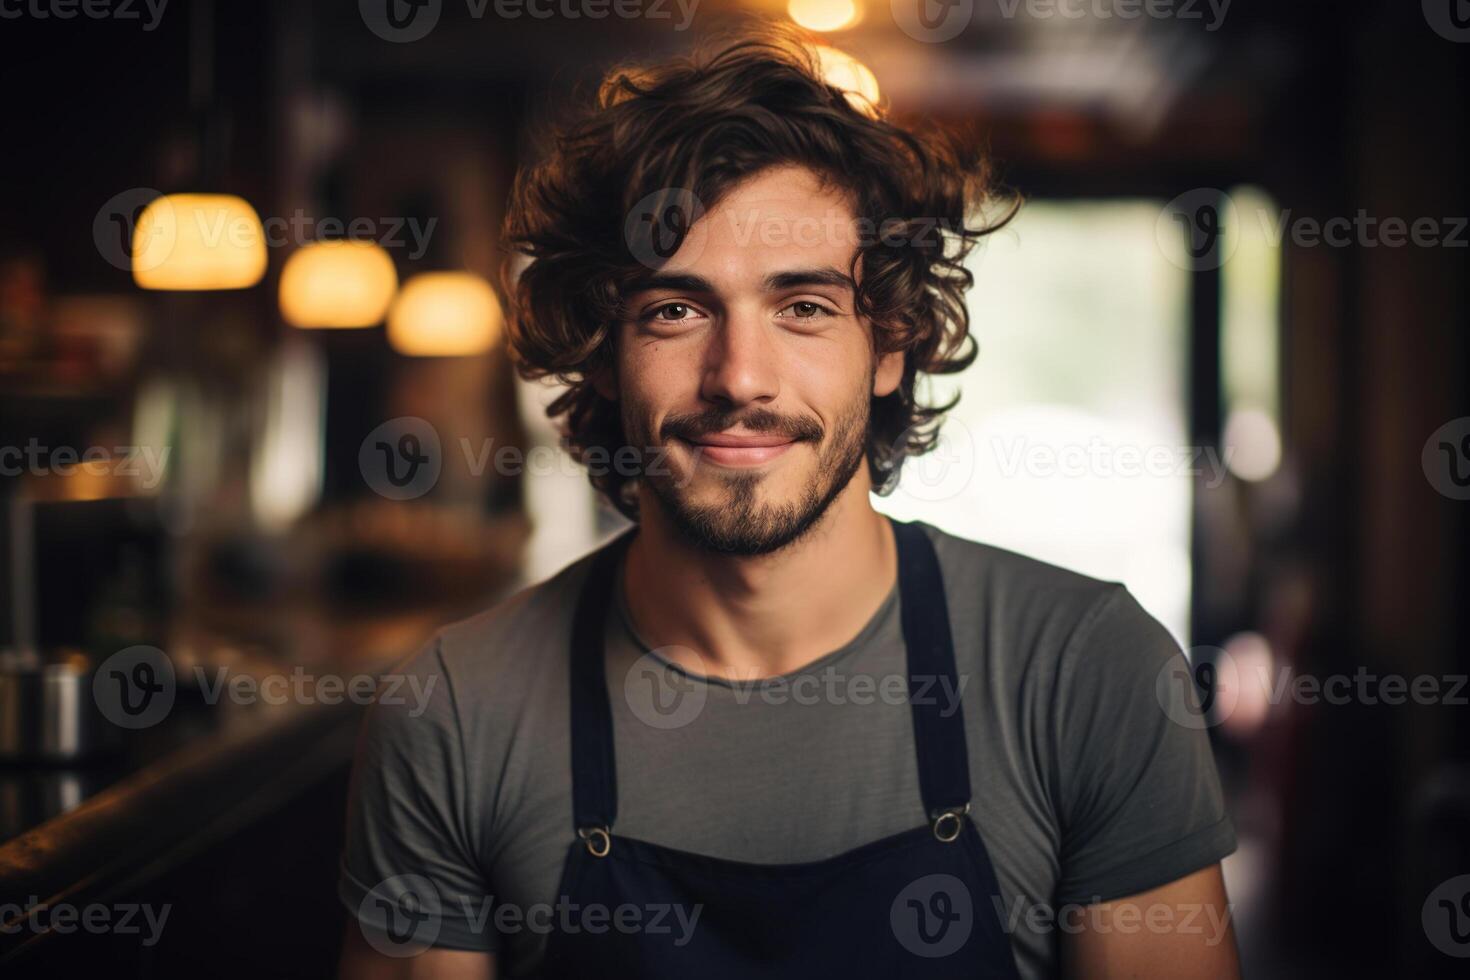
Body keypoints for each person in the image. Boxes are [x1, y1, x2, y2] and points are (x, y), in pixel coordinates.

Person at [338, 28, 1239, 980]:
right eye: (675, 310)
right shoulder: (452, 715)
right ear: (602, 354)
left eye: (803, 306)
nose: (740, 377)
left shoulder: (1087, 673)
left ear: (891, 343)